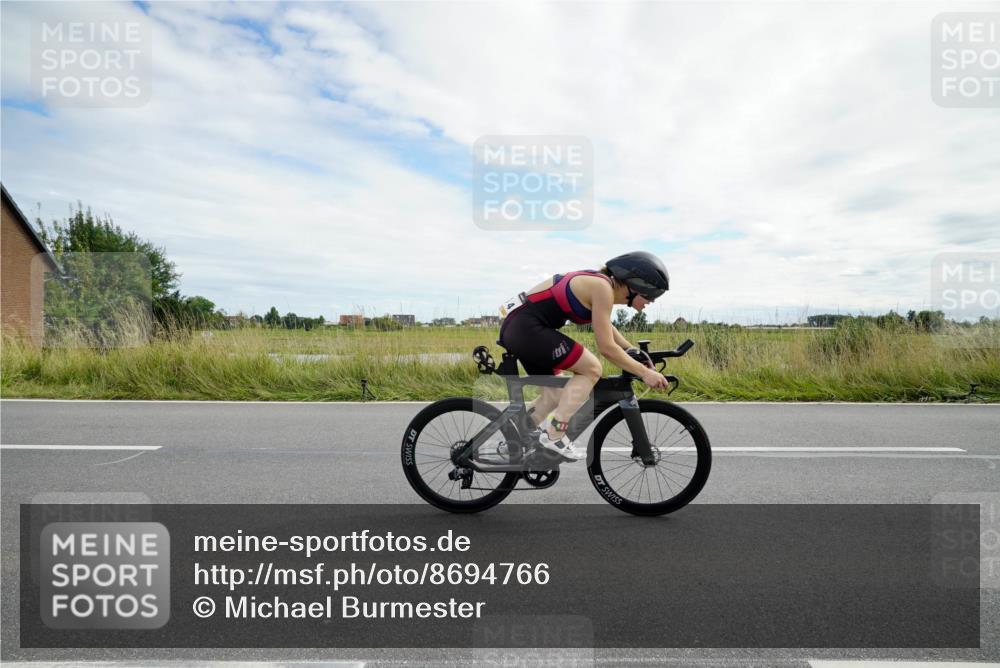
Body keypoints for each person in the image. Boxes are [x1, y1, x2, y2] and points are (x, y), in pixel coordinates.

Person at [497, 251, 671, 461]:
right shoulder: (602, 288)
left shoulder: (601, 286)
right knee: (592, 368)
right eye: (652, 295)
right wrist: (644, 373)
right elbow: (606, 347)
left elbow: (607, 327)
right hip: (525, 327)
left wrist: (632, 352)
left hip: (521, 327)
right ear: (636, 285)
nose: (652, 301)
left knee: (557, 395)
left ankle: (514, 441)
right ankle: (555, 435)